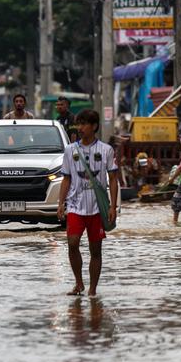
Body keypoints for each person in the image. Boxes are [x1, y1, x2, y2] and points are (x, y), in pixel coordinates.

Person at [57, 109, 119, 297]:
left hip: (97, 207)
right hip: (75, 205)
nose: (80, 128)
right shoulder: (70, 150)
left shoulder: (106, 150)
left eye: (84, 124)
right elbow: (66, 179)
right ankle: (78, 283)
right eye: (78, 123)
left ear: (94, 126)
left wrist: (112, 206)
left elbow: (113, 179)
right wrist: (61, 204)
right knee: (72, 242)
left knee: (95, 249)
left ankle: (92, 289)